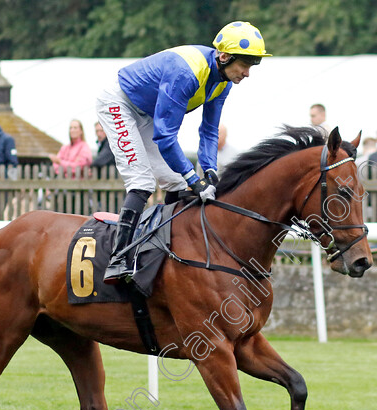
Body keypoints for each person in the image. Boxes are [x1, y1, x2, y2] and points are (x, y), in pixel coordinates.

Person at [96, 20, 270, 283]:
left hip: (147, 113)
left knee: (174, 182)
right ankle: (119, 260)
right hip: (119, 105)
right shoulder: (187, 73)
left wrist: (209, 170)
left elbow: (210, 130)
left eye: (252, 66)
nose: (247, 73)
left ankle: (166, 253)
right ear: (224, 56)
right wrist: (194, 180)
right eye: (245, 64)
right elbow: (165, 136)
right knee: (142, 182)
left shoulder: (223, 81)